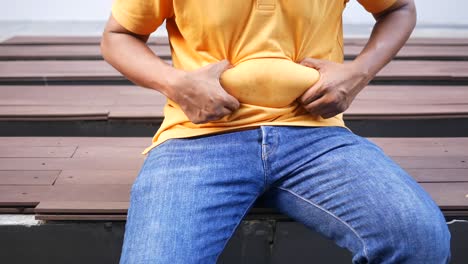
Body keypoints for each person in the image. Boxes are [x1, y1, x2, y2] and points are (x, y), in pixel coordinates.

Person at [101, 0, 452, 263]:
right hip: (198, 139)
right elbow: (118, 36)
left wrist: (357, 74)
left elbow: (399, 8)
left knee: (420, 241)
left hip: (317, 139)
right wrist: (174, 83)